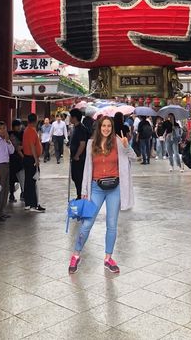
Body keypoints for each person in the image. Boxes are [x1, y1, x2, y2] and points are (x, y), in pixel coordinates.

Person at [68, 116, 136, 275]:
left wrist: (127, 146)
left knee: (112, 224)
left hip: (115, 188)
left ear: (112, 128)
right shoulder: (92, 144)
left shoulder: (119, 142)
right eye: (103, 126)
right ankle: (76, 254)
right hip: (96, 187)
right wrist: (84, 191)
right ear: (99, 128)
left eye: (109, 126)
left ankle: (108, 258)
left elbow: (134, 157)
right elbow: (86, 169)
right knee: (86, 224)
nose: (106, 129)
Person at [22, 113, 46, 212]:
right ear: (35, 120)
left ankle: (28, 203)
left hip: (28, 158)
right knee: (32, 182)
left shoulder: (27, 130)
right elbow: (32, 145)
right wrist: (36, 159)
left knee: (28, 181)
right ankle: (33, 205)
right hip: (31, 158)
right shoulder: (31, 131)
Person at [69, 107, 89, 199]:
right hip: (75, 159)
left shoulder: (81, 129)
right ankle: (79, 194)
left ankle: (80, 196)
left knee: (79, 178)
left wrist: (77, 155)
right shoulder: (75, 128)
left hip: (80, 159)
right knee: (75, 178)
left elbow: (82, 144)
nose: (69, 118)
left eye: (70, 117)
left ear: (74, 118)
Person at [8, 119, 24, 202]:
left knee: (22, 177)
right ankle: (11, 194)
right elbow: (16, 147)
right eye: (17, 126)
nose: (19, 127)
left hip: (21, 159)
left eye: (20, 125)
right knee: (12, 178)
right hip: (13, 159)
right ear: (13, 127)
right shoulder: (11, 135)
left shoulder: (22, 133)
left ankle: (22, 192)